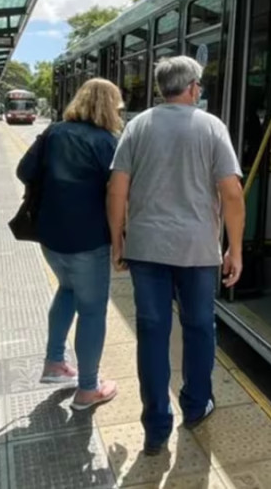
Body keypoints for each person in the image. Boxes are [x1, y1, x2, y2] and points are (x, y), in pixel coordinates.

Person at [107, 57, 245, 455]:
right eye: (199, 85)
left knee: (151, 333)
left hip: (146, 248)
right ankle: (196, 403)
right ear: (192, 88)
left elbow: (117, 189)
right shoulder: (211, 126)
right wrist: (234, 249)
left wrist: (118, 241)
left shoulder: (137, 126)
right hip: (199, 250)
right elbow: (231, 193)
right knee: (199, 326)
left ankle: (155, 427)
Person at [17, 78, 123, 410]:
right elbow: (119, 193)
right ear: (109, 106)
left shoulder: (53, 133)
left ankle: (54, 363)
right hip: (88, 239)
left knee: (66, 290)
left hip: (50, 235)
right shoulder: (107, 142)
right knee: (92, 311)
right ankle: (88, 389)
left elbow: (24, 170)